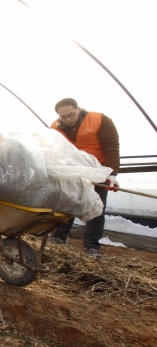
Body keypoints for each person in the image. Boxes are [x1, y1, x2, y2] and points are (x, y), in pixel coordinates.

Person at [49, 98, 120, 258]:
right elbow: (50, 147)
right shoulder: (55, 126)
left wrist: (112, 173)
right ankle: (59, 237)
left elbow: (111, 146)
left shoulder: (100, 120)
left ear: (78, 109)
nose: (68, 119)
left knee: (95, 207)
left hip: (97, 171)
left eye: (71, 115)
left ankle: (91, 246)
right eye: (63, 117)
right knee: (66, 203)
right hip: (72, 171)